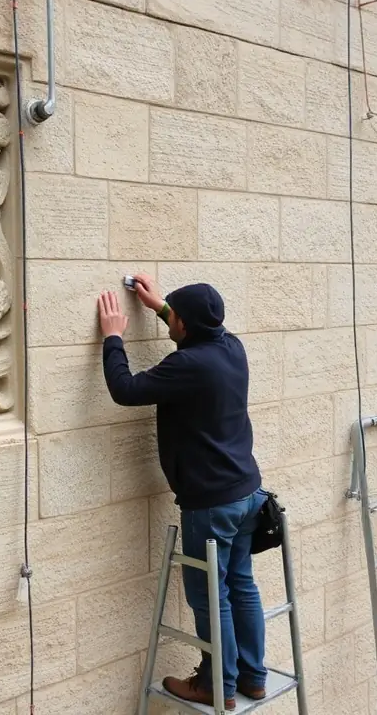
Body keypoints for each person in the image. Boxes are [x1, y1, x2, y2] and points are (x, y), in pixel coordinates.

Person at [96, 275, 268, 711]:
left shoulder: (188, 365)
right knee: (240, 584)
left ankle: (217, 684)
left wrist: (113, 337)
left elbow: (126, 389)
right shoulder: (231, 347)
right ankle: (252, 676)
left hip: (211, 503)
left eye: (172, 316)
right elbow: (193, 331)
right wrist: (159, 307)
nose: (167, 319)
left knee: (210, 596)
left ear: (185, 327)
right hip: (248, 492)